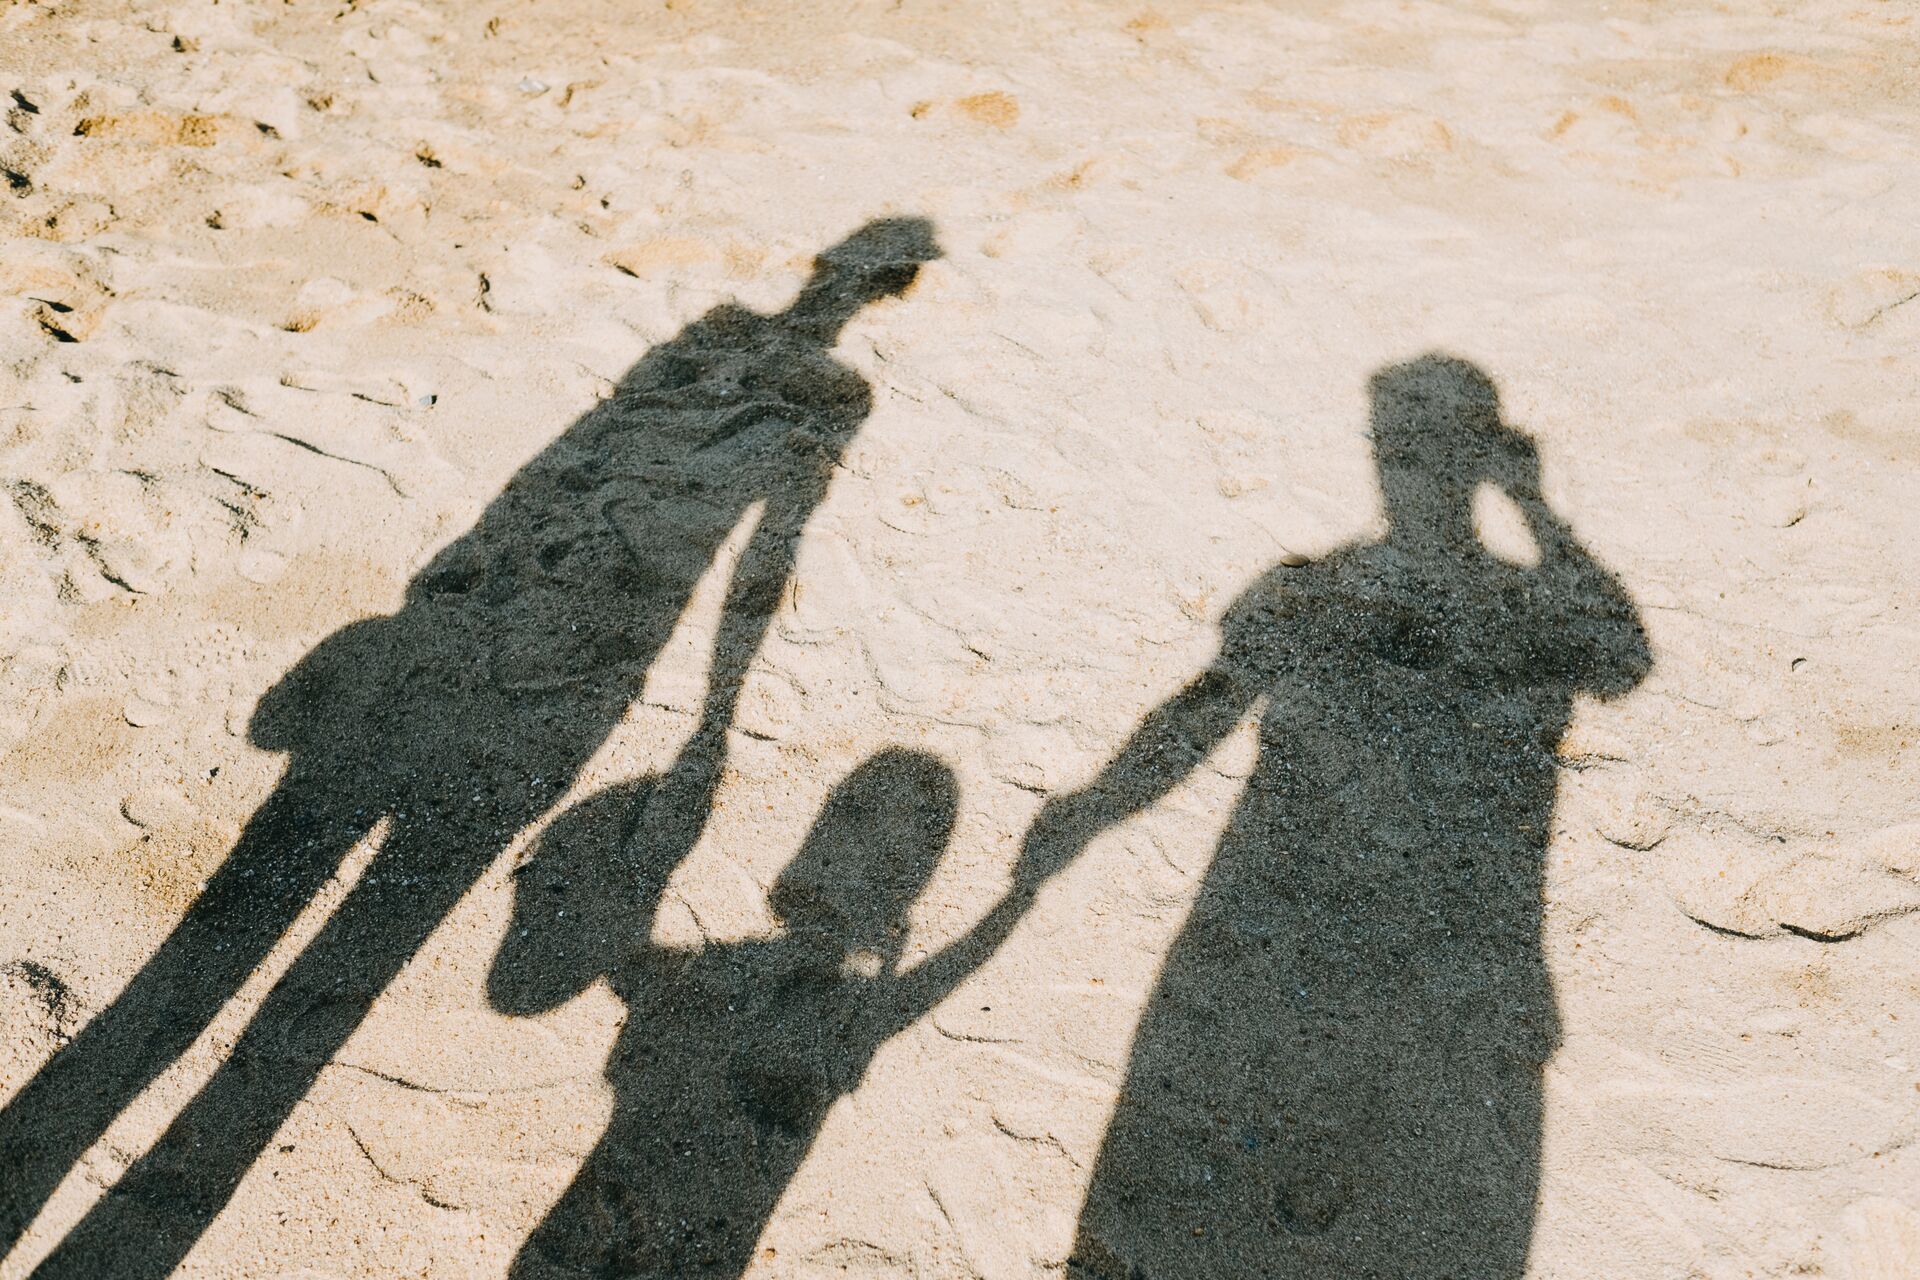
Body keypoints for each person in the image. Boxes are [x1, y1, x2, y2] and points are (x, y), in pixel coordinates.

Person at [5, 218, 941, 1279]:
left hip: (454, 665)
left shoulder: (711, 343)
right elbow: (759, 548)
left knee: (216, 948)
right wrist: (715, 712)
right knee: (336, 952)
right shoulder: (799, 380)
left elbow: (561, 476)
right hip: (552, 690)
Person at [1020, 355, 1651, 1278]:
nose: (1406, 474)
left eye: (1413, 450)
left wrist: (1100, 807)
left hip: (1341, 891)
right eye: (1397, 448)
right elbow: (1621, 658)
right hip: (1392, 898)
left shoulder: (1330, 587)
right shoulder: (1380, 590)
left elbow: (1624, 658)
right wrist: (1534, 504)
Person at [491, 748, 1029, 1279]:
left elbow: (620, 963)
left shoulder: (768, 981)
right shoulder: (834, 997)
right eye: (844, 815)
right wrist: (1018, 896)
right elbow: (930, 986)